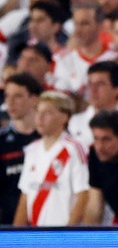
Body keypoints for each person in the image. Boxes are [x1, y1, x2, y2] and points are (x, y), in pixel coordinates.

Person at [14, 91, 88, 227]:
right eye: (38, 112)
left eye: (47, 112)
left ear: (64, 117)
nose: (40, 117)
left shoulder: (73, 149)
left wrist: (69, 233)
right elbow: (25, 196)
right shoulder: (32, 150)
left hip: (63, 234)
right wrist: (16, 236)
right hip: (36, 233)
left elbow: (83, 195)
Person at [0, 73, 41, 224]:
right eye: (7, 96)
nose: (10, 102)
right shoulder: (2, 141)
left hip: (46, 223)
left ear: (34, 99)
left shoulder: (49, 139)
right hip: (8, 226)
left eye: (17, 96)